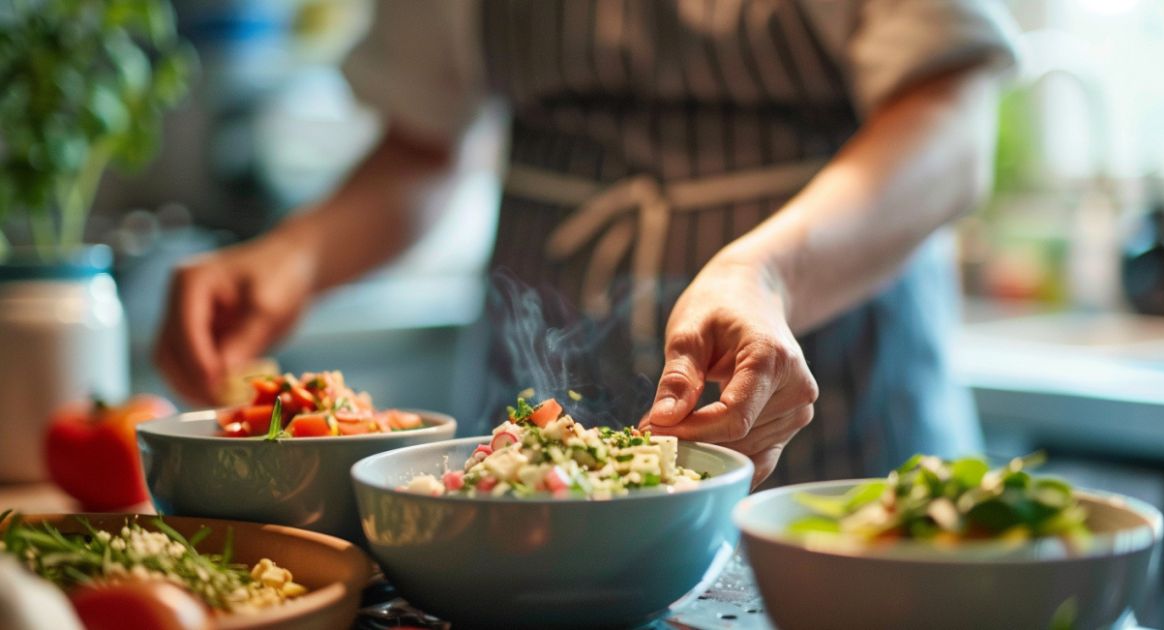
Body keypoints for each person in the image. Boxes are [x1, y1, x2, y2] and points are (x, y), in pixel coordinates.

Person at [156, 1, 1018, 487]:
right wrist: (293, 257)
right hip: (530, 479)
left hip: (840, 429)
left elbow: (949, 124)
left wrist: (768, 276)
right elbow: (425, 142)